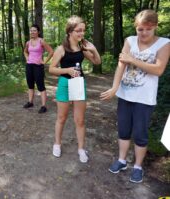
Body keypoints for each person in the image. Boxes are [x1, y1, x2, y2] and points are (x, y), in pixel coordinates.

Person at [100, 9, 170, 183]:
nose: (144, 33)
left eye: (148, 29)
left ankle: (137, 167)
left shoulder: (164, 43)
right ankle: (122, 160)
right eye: (140, 29)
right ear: (136, 28)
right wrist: (115, 87)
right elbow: (121, 66)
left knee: (140, 133)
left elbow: (159, 69)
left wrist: (133, 60)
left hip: (145, 99)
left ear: (155, 27)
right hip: (125, 95)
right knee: (123, 130)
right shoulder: (130, 41)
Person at [49, 16, 101, 163]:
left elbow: (97, 61)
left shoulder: (82, 48)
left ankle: (81, 149)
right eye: (79, 30)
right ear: (70, 31)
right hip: (65, 84)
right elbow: (52, 69)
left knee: (80, 120)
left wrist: (94, 49)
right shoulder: (61, 49)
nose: (82, 33)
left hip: (79, 84)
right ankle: (57, 144)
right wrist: (68, 70)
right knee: (61, 118)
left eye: (83, 31)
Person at [23, 24, 54, 113]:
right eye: (31, 30)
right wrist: (27, 58)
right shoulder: (28, 42)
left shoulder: (41, 41)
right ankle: (30, 102)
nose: (32, 32)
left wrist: (44, 61)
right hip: (29, 65)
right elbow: (25, 51)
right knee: (30, 85)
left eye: (34, 30)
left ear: (38, 32)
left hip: (38, 66)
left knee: (40, 86)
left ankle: (43, 106)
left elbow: (51, 51)